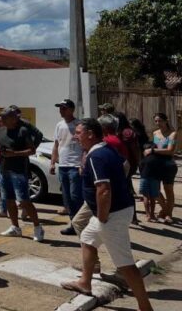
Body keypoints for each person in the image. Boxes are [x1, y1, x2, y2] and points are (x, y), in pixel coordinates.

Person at [60, 119, 153, 311]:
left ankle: (145, 307)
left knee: (125, 264)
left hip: (111, 214)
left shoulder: (97, 157)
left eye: (78, 133)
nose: (75, 136)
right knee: (87, 238)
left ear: (90, 134)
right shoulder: (107, 150)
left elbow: (103, 189)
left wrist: (102, 217)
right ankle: (85, 282)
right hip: (113, 211)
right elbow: (125, 165)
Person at [0, 107, 44, 242]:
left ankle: (37, 227)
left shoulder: (22, 131)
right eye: (2, 118)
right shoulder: (0, 131)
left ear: (13, 118)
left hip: (19, 171)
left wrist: (14, 154)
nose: (2, 120)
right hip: (3, 170)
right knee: (9, 200)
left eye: (5, 117)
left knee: (24, 201)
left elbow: (31, 150)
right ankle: (15, 227)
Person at [49, 99, 83, 235]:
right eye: (60, 108)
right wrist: (52, 162)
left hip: (75, 166)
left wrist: (83, 163)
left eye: (64, 108)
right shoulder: (59, 125)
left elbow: (85, 145)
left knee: (76, 196)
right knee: (67, 197)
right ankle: (73, 224)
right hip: (62, 166)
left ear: (71, 109)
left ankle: (81, 223)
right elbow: (56, 145)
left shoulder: (79, 125)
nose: (61, 110)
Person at [147, 113, 176, 225]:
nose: (158, 123)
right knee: (155, 190)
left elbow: (170, 150)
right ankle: (164, 210)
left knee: (168, 191)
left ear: (166, 121)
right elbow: (154, 147)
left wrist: (153, 151)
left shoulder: (172, 134)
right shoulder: (155, 133)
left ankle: (168, 214)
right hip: (156, 165)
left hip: (168, 165)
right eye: (156, 121)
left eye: (160, 121)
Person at [139, 143, 163, 222]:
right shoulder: (158, 159)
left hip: (144, 178)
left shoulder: (144, 159)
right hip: (155, 179)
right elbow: (160, 171)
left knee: (146, 197)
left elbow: (140, 169)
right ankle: (152, 215)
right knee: (153, 198)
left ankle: (147, 215)